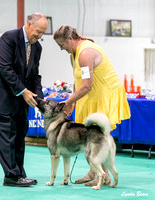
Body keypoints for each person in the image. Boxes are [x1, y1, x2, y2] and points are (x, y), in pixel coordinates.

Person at [53, 25, 130, 186]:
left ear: (70, 39)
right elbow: (78, 79)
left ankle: (104, 175)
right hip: (90, 95)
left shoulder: (86, 53)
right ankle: (94, 171)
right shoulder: (73, 54)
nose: (61, 49)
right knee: (89, 135)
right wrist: (73, 101)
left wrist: (67, 101)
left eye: (62, 45)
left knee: (95, 135)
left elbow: (87, 85)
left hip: (103, 94)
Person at [0, 13, 47, 187]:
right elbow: (4, 67)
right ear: (28, 24)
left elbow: (34, 75)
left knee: (19, 134)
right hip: (0, 97)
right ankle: (11, 176)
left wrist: (40, 100)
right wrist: (24, 91)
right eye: (38, 32)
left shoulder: (37, 48)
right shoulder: (9, 38)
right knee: (7, 136)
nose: (39, 36)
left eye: (42, 33)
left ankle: (19, 174)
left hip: (19, 99)